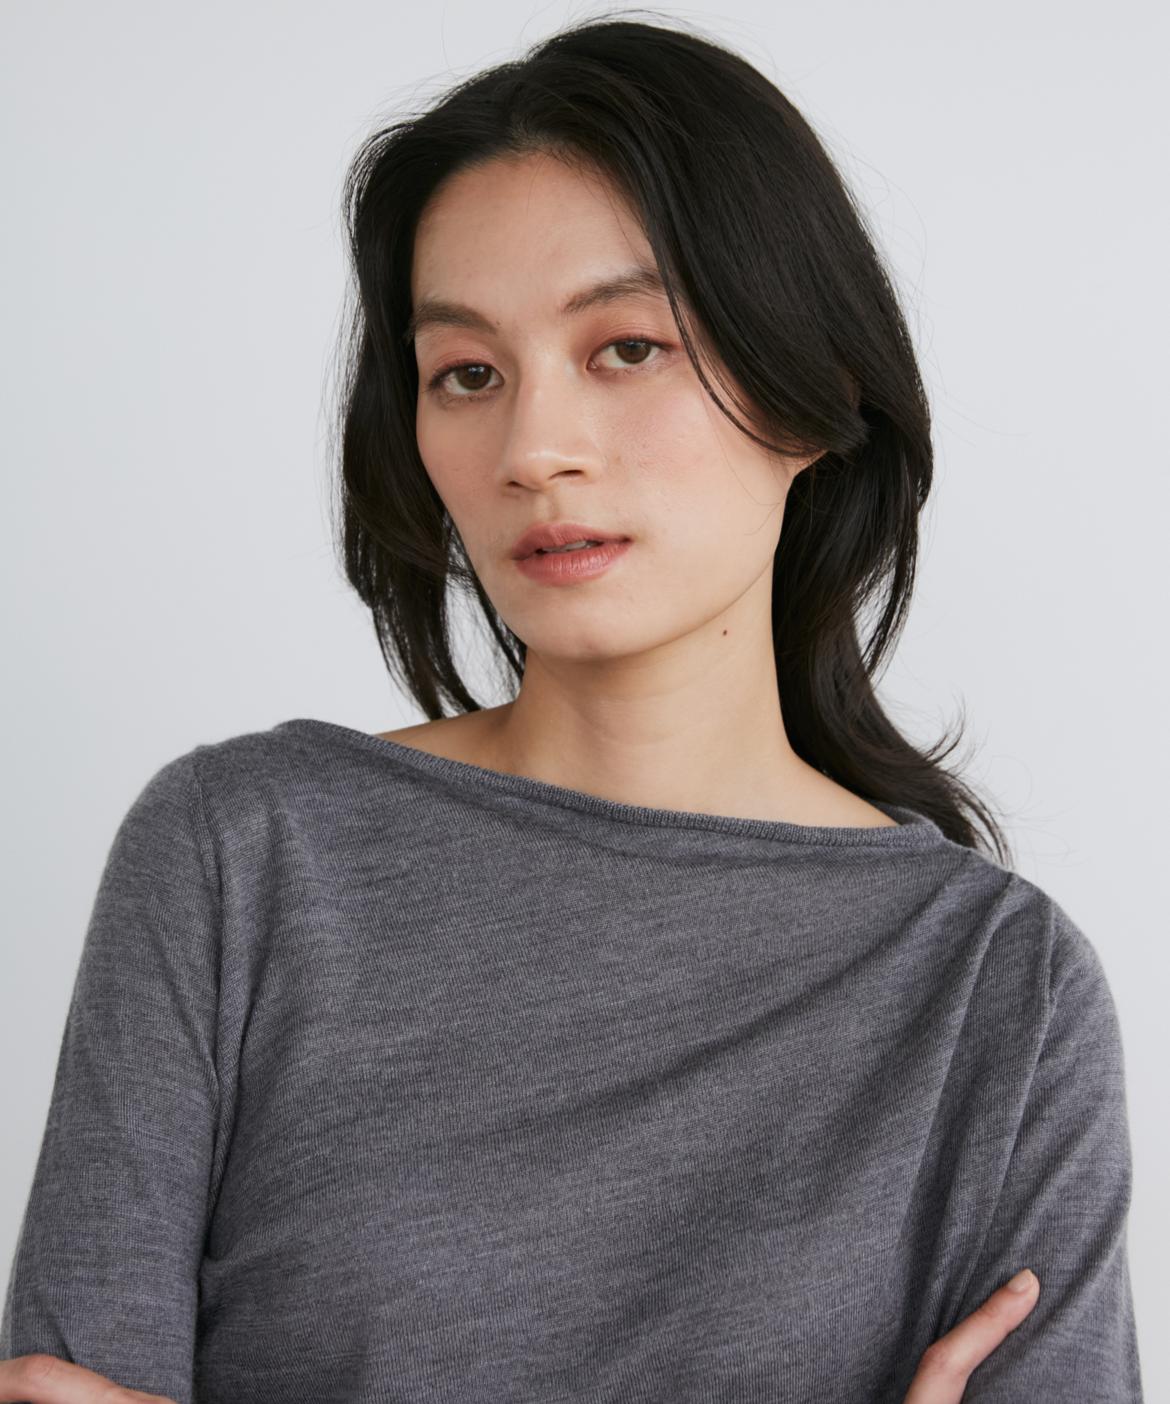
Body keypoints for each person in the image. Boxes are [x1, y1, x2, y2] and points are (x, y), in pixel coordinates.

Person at [0, 13, 1142, 1402]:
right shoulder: (245, 853)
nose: (534, 449)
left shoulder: (991, 989)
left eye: (627, 348)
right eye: (467, 374)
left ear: (814, 386)